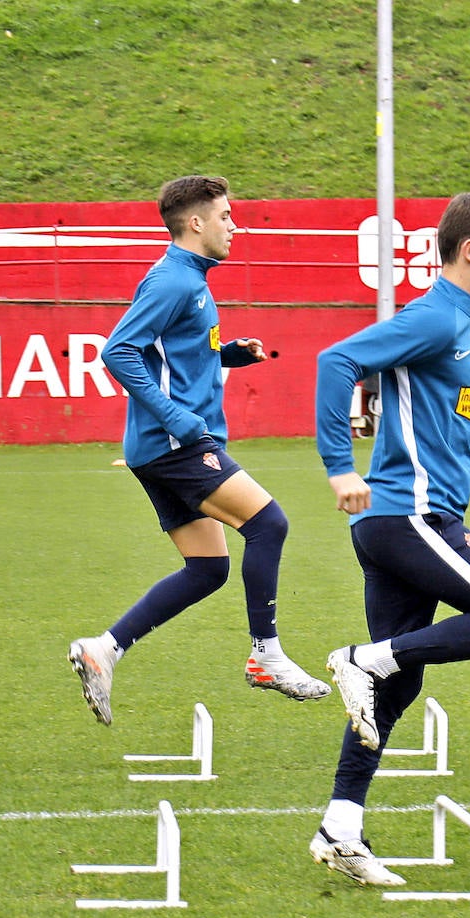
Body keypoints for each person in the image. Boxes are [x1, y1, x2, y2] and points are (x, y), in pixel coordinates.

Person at [309, 192, 470, 886]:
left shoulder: (462, 321)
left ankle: (340, 827)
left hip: (397, 525)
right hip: (412, 520)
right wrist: (339, 468)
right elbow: (336, 362)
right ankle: (360, 659)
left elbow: (458, 411)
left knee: (395, 687)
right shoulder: (433, 315)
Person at [67, 175, 330, 726]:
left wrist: (228, 354)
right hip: (176, 445)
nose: (236, 226)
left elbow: (174, 353)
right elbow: (119, 352)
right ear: (196, 223)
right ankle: (267, 656)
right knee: (270, 524)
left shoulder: (191, 280)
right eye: (227, 216)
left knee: (208, 568)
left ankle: (104, 650)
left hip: (161, 447)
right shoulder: (174, 280)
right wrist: (178, 420)